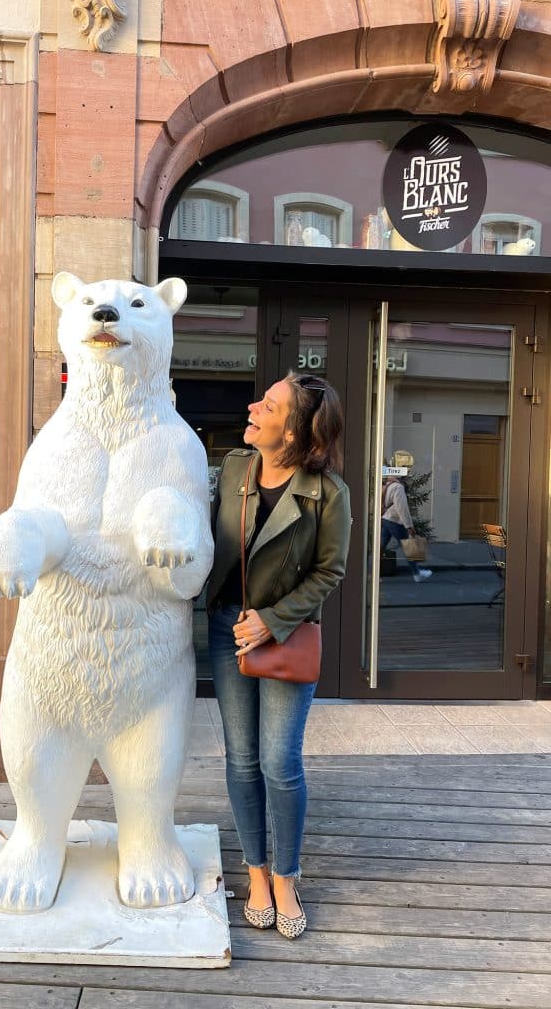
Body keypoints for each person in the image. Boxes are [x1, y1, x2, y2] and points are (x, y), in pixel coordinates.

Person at [205, 372, 351, 940]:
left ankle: (287, 876)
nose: (252, 407)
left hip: (285, 636)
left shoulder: (327, 493)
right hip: (225, 629)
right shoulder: (234, 469)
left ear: (292, 432)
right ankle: (256, 872)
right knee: (241, 760)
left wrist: (273, 619)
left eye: (268, 405)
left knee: (279, 763)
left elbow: (330, 571)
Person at [380, 477, 431, 582]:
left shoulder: (387, 485)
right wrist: (409, 525)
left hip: (385, 518)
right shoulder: (398, 487)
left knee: (379, 548)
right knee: (408, 546)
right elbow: (402, 507)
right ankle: (417, 574)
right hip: (394, 520)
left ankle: (372, 573)